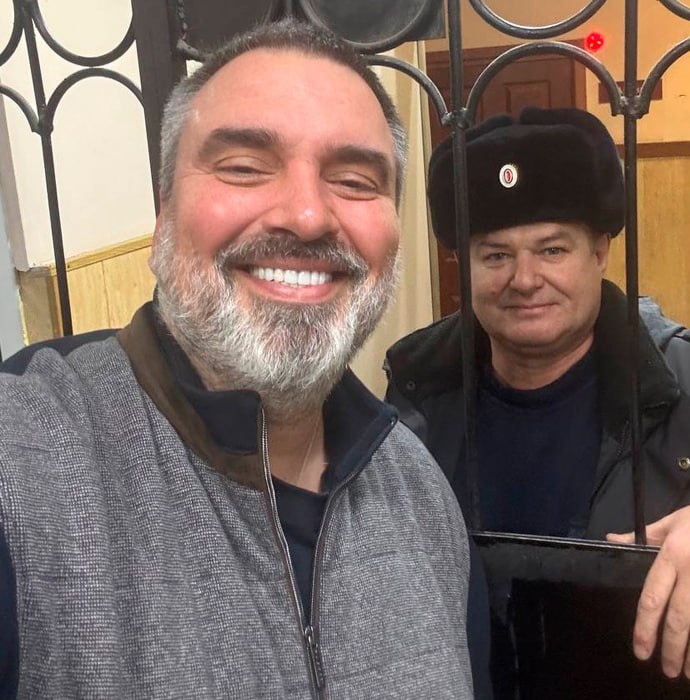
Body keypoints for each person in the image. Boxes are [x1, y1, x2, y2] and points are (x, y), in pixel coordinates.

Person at [0, 19, 487, 699]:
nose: (308, 216)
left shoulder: (419, 491)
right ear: (164, 213)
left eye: (354, 180)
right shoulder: (26, 461)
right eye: (244, 168)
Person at [384, 107, 690, 691]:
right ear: (463, 265)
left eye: (552, 250)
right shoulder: (413, 396)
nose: (524, 279)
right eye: (496, 255)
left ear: (600, 252)